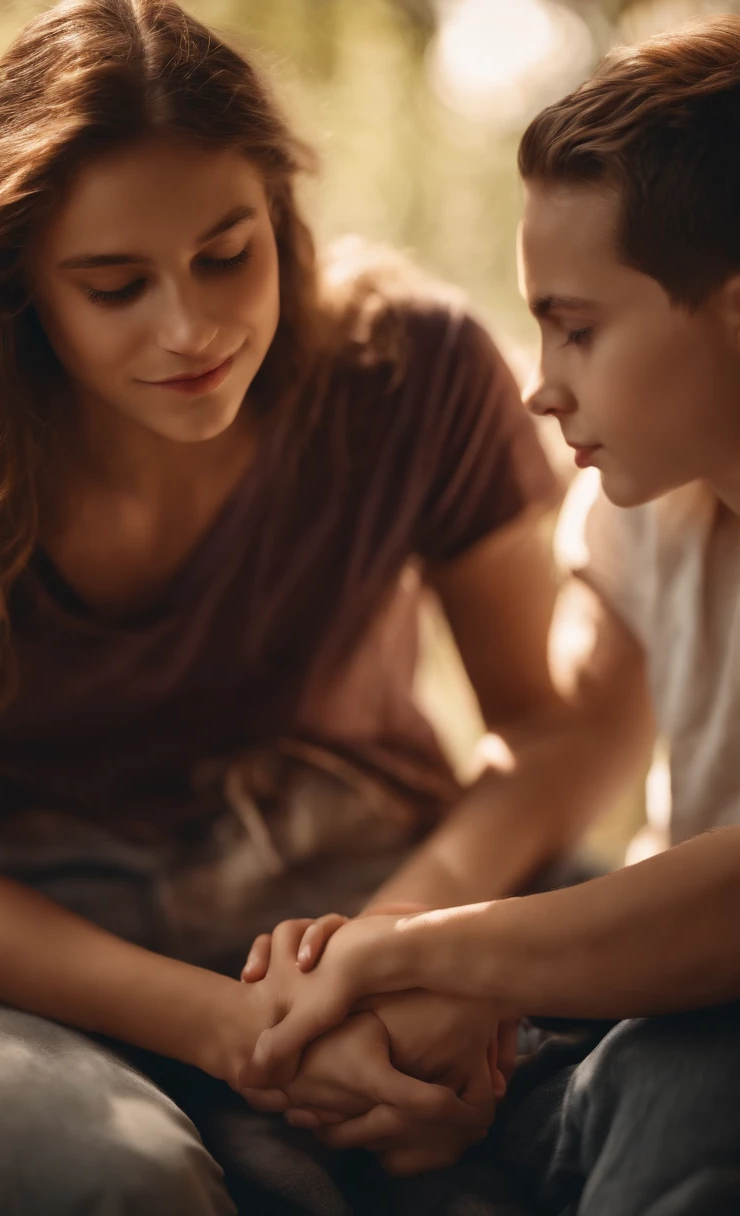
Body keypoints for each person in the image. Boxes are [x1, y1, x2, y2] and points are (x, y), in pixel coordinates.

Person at [0, 1, 641, 1213]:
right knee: (102, 1172)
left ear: (281, 215)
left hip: (369, 874)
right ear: (21, 286)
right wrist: (241, 1028)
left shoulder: (412, 371)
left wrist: (396, 950)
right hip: (44, 949)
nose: (190, 327)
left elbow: (555, 729)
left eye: (225, 254)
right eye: (114, 287)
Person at [246, 15, 740, 1216]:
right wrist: (391, 952)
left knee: (686, 1086)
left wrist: (431, 953)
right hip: (646, 1001)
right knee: (316, 1129)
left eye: (576, 327)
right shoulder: (649, 500)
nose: (537, 381)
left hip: (696, 1036)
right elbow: (571, 744)